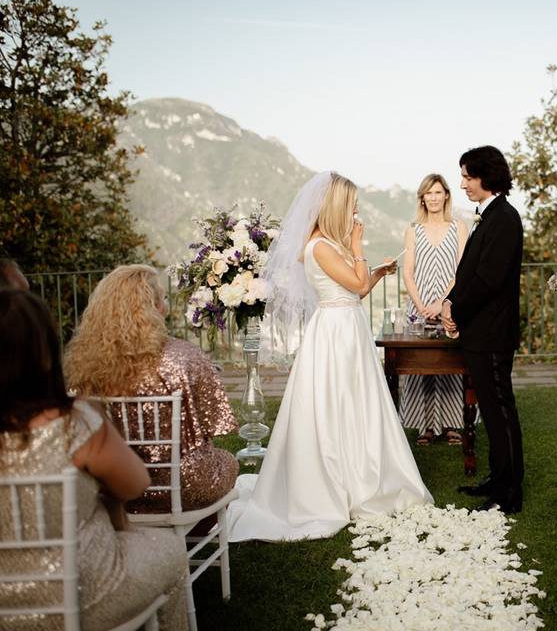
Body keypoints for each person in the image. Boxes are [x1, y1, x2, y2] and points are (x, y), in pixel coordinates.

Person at [227, 172, 433, 542]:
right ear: (337, 206)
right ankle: (336, 481)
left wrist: (378, 273)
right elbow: (354, 285)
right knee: (334, 402)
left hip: (348, 325)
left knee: (356, 403)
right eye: (352, 204)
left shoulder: (331, 245)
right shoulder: (320, 246)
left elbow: (358, 290)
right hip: (335, 333)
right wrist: (358, 246)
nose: (356, 210)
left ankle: (362, 470)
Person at [0, 290, 188, 630]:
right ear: (43, 354)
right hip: (88, 592)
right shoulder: (75, 425)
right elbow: (136, 484)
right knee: (171, 552)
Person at [63, 265, 239, 514]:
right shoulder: (182, 356)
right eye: (163, 298)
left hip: (113, 487)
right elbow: (215, 424)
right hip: (183, 484)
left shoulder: (84, 366)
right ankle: (188, 537)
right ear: (154, 307)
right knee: (227, 461)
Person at [442, 146, 524, 514]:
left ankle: (509, 493)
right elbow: (469, 273)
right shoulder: (489, 216)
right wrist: (449, 301)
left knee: (500, 411)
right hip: (480, 332)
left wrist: (455, 308)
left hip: (492, 333)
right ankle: (497, 477)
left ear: (487, 176)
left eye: (467, 177)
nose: (462, 185)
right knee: (490, 413)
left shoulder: (505, 218)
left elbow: (488, 280)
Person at [401, 173, 468, 446]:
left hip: (450, 305)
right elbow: (407, 272)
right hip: (419, 308)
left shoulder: (459, 227)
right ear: (422, 198)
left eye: (438, 193)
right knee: (420, 366)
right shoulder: (413, 229)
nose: (433, 198)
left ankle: (453, 424)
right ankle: (424, 426)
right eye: (428, 193)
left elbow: (462, 269)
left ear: (446, 196)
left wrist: (441, 304)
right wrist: (421, 307)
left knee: (451, 366)